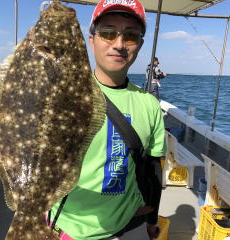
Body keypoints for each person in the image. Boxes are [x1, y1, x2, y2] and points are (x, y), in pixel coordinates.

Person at [48, 1, 166, 239]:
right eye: (108, 33)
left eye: (130, 36)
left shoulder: (150, 104)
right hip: (69, 229)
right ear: (91, 40)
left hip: (130, 224)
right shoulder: (61, 96)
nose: (119, 44)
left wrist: (152, 219)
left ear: (140, 45)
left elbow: (152, 170)